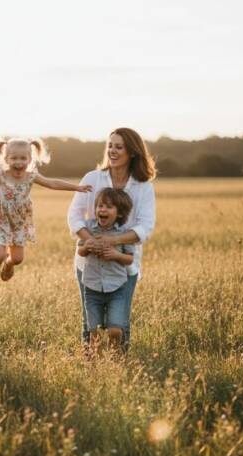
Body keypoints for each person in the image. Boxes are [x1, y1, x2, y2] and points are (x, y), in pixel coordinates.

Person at [0, 138, 92, 303]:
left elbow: (52, 183)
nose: (18, 162)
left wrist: (76, 187)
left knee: (17, 258)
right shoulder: (0, 175)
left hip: (19, 222)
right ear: (6, 159)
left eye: (22, 158)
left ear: (29, 159)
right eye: (14, 158)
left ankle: (8, 264)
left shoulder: (31, 176)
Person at [67, 128, 157, 350]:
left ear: (132, 152)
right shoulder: (92, 178)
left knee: (119, 323)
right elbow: (74, 216)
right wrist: (93, 241)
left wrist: (112, 242)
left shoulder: (143, 186)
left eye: (119, 147)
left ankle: (119, 369)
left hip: (125, 266)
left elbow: (145, 226)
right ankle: (92, 368)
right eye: (110, 146)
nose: (112, 151)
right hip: (89, 264)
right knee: (91, 322)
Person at [77, 188, 135, 352]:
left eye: (108, 207)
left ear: (119, 213)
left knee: (115, 329)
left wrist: (116, 255)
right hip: (92, 288)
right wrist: (87, 246)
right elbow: (80, 251)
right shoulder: (88, 228)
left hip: (116, 288)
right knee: (94, 332)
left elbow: (130, 258)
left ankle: (115, 358)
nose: (102, 210)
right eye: (100, 206)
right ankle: (98, 364)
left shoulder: (124, 233)